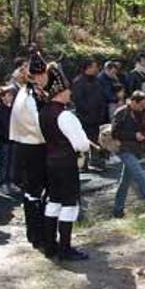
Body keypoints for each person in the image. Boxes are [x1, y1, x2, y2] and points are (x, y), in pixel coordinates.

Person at [38, 63, 92, 260]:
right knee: (69, 205)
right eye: (67, 90)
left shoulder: (43, 112)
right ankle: (65, 249)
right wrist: (85, 142)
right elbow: (81, 145)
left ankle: (50, 245)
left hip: (50, 162)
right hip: (67, 163)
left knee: (54, 202)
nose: (70, 93)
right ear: (60, 92)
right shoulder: (65, 115)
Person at [10, 50, 49, 249]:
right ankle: (37, 234)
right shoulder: (30, 96)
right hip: (33, 148)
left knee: (32, 193)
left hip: (27, 146)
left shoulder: (26, 93)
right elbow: (39, 123)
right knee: (34, 194)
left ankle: (36, 232)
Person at [71, 59, 108, 170]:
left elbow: (101, 97)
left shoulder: (96, 81)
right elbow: (78, 100)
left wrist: (101, 112)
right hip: (85, 117)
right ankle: (83, 163)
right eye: (95, 66)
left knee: (96, 138)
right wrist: (88, 112)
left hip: (97, 117)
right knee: (84, 140)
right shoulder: (79, 82)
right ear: (88, 68)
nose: (97, 69)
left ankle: (96, 160)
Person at [0, 85, 17, 194]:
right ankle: (3, 183)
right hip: (3, 140)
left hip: (13, 138)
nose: (11, 97)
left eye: (11, 95)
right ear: (2, 97)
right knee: (4, 162)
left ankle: (11, 181)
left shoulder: (12, 109)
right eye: (8, 95)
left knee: (12, 162)